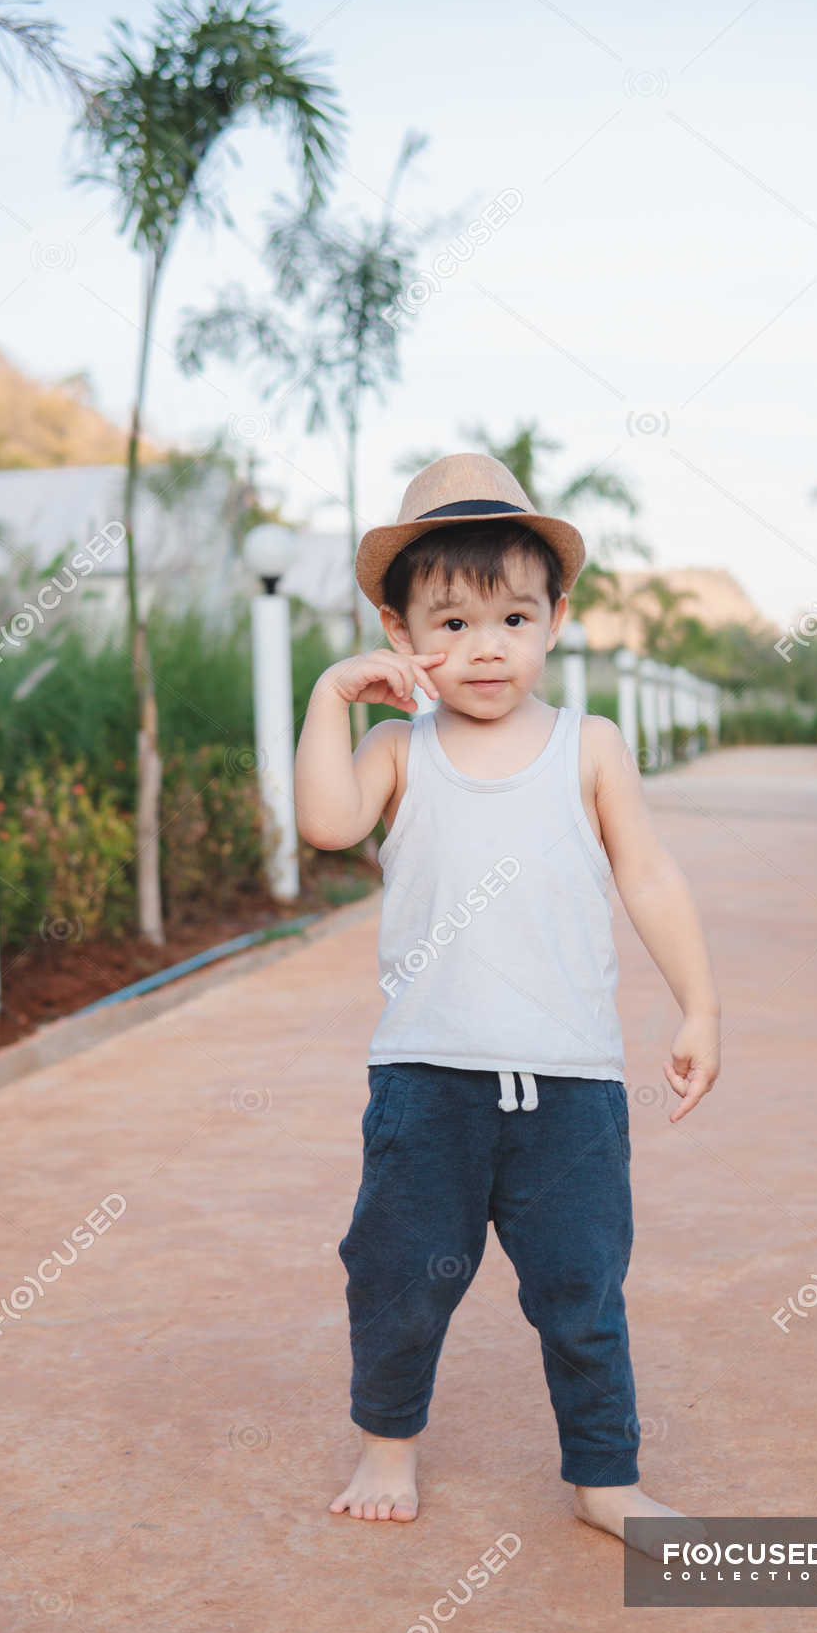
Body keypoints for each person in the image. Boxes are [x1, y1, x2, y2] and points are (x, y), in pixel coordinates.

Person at [294, 452, 721, 1547]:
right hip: (428, 1083)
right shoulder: (400, 749)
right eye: (450, 623)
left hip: (570, 1090)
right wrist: (332, 695)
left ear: (556, 619)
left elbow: (650, 877)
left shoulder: (592, 747)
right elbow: (326, 824)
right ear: (398, 630)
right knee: (395, 1277)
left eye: (514, 618)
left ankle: (605, 1476)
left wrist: (699, 1005)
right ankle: (387, 1445)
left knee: (582, 1291)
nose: (485, 648)